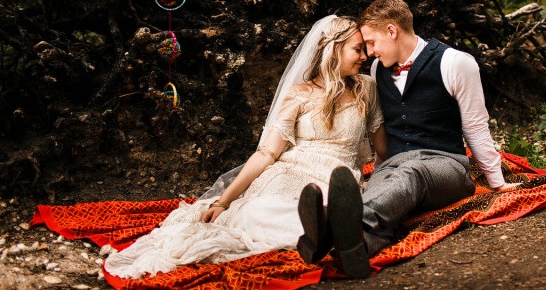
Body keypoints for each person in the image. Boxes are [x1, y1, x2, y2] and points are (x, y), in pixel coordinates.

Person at [104, 15, 388, 279]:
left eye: (365, 50)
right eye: (357, 49)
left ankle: (327, 225)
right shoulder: (300, 94)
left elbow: (381, 150)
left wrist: (379, 182)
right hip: (291, 175)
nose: (365, 57)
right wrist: (223, 201)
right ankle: (329, 230)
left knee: (335, 204)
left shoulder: (366, 88)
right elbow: (266, 153)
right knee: (256, 212)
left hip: (337, 180)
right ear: (334, 49)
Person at [296, 0, 519, 278]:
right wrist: (378, 175)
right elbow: (383, 130)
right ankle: (355, 251)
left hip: (446, 166)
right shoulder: (378, 70)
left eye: (372, 42)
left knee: (411, 173)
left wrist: (496, 182)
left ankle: (331, 226)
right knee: (392, 209)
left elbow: (475, 126)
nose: (369, 53)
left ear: (392, 31)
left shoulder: (456, 62)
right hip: (394, 166)